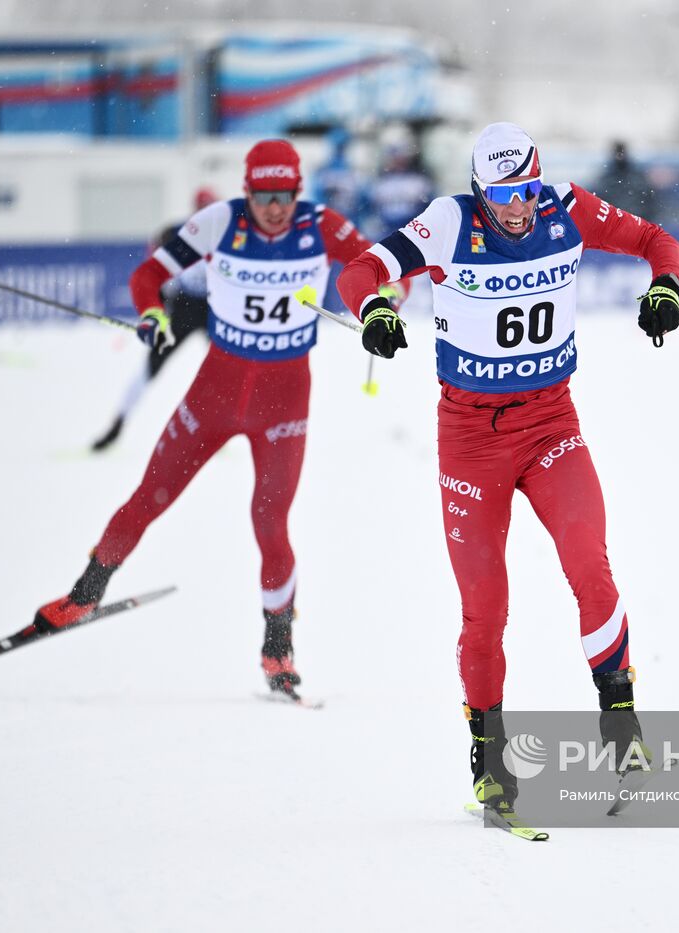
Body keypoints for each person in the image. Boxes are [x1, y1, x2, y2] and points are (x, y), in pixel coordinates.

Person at [336, 123, 679, 816]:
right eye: (503, 196)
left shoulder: (565, 206)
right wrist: (374, 307)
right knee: (486, 609)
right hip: (471, 441)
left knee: (590, 562)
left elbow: (655, 241)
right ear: (478, 192)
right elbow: (359, 271)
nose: (519, 208)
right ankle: (489, 760)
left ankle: (622, 724)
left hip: (552, 423)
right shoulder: (447, 224)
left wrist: (665, 287)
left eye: (526, 190)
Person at [32, 140, 405, 701]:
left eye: (286, 196)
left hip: (284, 401)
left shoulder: (323, 224)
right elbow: (146, 278)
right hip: (215, 392)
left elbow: (382, 269)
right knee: (150, 497)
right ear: (248, 190)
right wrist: (153, 314)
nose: (275, 208)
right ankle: (84, 594)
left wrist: (388, 297)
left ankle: (278, 650)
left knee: (270, 524)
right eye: (264, 196)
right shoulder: (218, 223)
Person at [91, 188, 218, 453]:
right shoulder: (174, 232)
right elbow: (153, 272)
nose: (205, 213)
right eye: (201, 208)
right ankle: (117, 425)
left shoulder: (227, 233)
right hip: (183, 306)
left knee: (227, 367)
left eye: (210, 207)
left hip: (213, 307)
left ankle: (220, 428)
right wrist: (156, 309)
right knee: (150, 367)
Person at [366, 142, 434, 239]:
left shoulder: (419, 181)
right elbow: (370, 209)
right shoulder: (379, 183)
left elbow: (430, 207)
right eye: (395, 158)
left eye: (401, 157)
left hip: (412, 231)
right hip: (386, 231)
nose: (398, 161)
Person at [593, 140, 656, 220]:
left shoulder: (606, 178)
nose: (619, 156)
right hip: (629, 222)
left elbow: (650, 201)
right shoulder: (637, 176)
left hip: (628, 222)